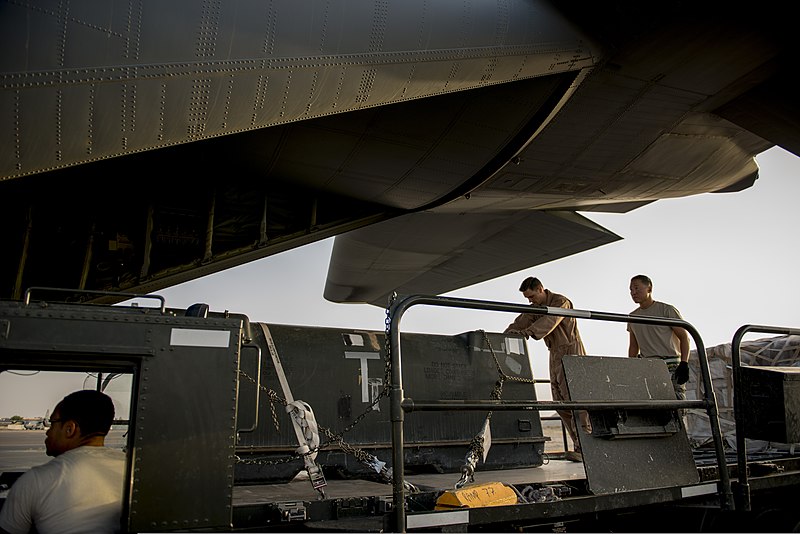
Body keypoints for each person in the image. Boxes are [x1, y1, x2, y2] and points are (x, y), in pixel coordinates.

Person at [0, 390, 126, 534]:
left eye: (52, 423)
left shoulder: (35, 480)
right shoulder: (134, 470)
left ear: (69, 429)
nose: (47, 431)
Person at [504, 276, 591, 462]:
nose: (530, 301)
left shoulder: (561, 302)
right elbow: (522, 320)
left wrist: (526, 333)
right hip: (554, 353)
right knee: (559, 401)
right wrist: (505, 335)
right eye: (527, 298)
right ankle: (580, 444)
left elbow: (550, 321)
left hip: (571, 352)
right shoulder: (535, 308)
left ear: (540, 289)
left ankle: (586, 447)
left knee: (575, 400)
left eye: (531, 296)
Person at [627, 274, 691, 400]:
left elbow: (685, 337)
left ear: (649, 289)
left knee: (676, 405)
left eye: (636, 288)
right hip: (649, 366)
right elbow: (633, 347)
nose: (633, 292)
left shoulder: (666, 310)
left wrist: (684, 363)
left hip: (671, 365)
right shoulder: (632, 317)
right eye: (631, 290)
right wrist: (632, 368)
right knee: (654, 406)